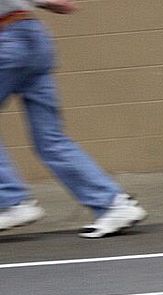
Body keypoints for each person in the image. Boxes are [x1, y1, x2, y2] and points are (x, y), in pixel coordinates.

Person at [0, 0, 147, 238]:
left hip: (9, 37)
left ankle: (11, 200)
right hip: (33, 37)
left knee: (50, 138)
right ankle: (114, 205)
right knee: (50, 138)